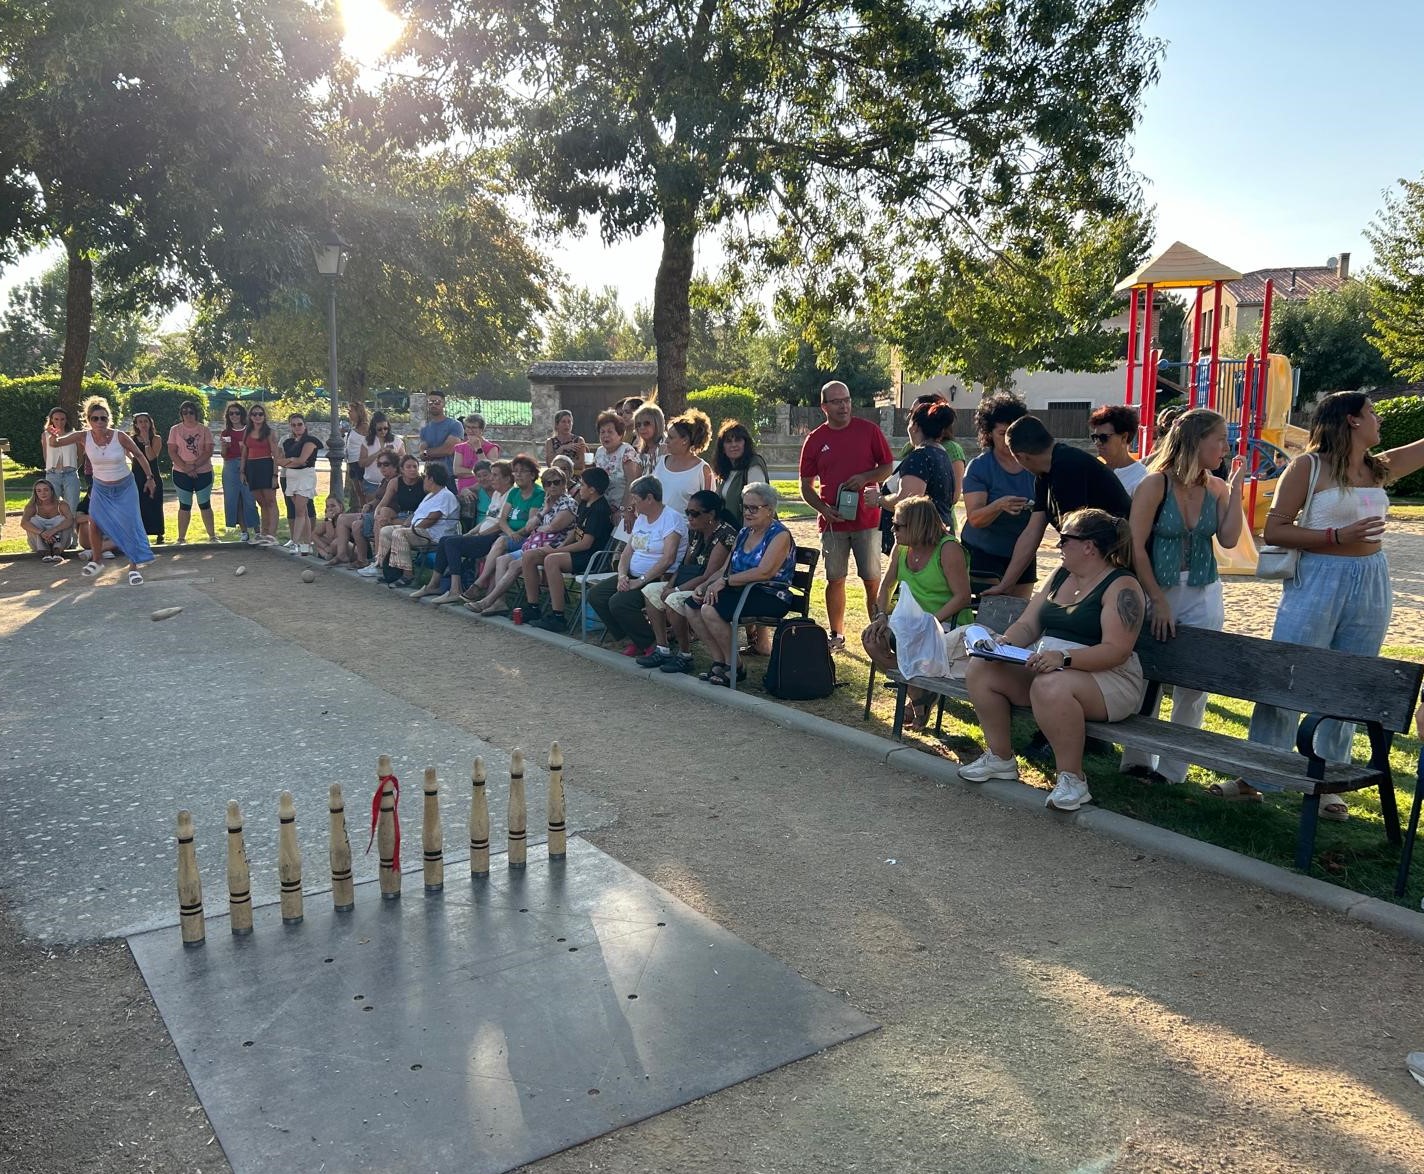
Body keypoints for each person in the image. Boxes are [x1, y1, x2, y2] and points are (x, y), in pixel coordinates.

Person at [1239, 391, 1424, 817]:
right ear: (1352, 421)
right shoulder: (1309, 466)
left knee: (1350, 678)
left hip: (1371, 579)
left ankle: (1328, 782)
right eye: (1372, 412)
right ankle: (1257, 773)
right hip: (1319, 576)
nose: (1379, 419)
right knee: (1289, 670)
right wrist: (1336, 537)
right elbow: (1276, 530)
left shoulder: (1378, 468)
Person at [960, 508, 1147, 811]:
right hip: (1051, 666)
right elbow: (1028, 624)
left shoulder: (1122, 585)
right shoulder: (1060, 575)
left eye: (1064, 540)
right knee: (982, 668)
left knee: (1050, 685)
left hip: (1109, 678)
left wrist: (1063, 658)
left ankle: (1072, 779)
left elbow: (1117, 650)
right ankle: (1000, 758)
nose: (1057, 546)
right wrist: (1002, 643)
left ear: (1088, 546)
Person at [1122, 408, 1246, 787]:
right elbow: (1135, 547)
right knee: (1147, 674)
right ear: (1196, 441)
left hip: (1203, 590)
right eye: (1220, 439)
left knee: (1194, 682)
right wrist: (1157, 599)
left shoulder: (1215, 487)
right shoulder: (1154, 485)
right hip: (1158, 587)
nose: (1226, 447)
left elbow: (1227, 540)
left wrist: (1236, 488)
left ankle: (1173, 770)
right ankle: (1137, 758)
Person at [983, 415, 1133, 596]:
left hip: (1119, 556)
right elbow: (1032, 531)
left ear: (1021, 456)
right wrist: (1006, 585)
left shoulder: (1068, 467)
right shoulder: (1044, 475)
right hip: (1092, 555)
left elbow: (1075, 536)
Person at [798, 379, 895, 649]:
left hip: (867, 520)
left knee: (872, 579)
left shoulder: (869, 431)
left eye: (847, 400)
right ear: (824, 406)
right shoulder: (815, 439)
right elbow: (805, 486)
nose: (844, 406)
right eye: (837, 401)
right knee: (835, 578)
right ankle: (836, 634)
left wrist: (865, 477)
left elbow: (887, 466)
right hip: (833, 523)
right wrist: (823, 510)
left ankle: (877, 634)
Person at [861, 496, 972, 728]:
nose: (892, 529)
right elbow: (887, 585)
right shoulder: (901, 548)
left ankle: (919, 701)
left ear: (918, 525)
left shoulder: (948, 549)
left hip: (945, 623)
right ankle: (919, 696)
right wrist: (881, 614)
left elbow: (962, 597)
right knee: (871, 639)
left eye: (898, 525)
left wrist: (930, 622)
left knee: (906, 640)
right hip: (909, 622)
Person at [686, 483, 797, 686]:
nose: (747, 512)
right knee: (692, 606)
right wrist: (705, 584)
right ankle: (720, 661)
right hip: (741, 590)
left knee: (710, 610)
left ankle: (735, 667)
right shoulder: (745, 532)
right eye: (745, 507)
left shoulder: (779, 534)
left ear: (770, 510)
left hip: (769, 594)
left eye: (754, 508)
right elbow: (724, 569)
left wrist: (725, 582)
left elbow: (765, 572)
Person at [48, 396, 158, 583]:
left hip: (125, 486)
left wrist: (150, 478)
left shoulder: (119, 436)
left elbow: (139, 455)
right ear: (88, 420)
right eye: (95, 418)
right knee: (95, 521)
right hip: (101, 486)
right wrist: (53, 435)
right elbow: (56, 443)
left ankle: (133, 568)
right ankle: (97, 560)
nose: (100, 422)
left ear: (109, 419)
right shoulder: (84, 436)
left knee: (129, 524)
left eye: (103, 418)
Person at [637, 488, 738, 671]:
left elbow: (708, 575)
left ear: (711, 514)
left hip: (707, 586)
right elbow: (684, 565)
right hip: (689, 580)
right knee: (651, 590)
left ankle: (685, 654)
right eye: (687, 513)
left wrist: (675, 590)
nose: (689, 517)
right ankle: (662, 648)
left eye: (694, 513)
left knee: (673, 599)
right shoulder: (695, 531)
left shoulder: (726, 535)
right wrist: (669, 584)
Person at [587, 475, 688, 657]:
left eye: (635, 498)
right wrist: (622, 575)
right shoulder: (641, 518)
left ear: (650, 498)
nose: (632, 503)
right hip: (633, 575)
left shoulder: (671, 519)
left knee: (619, 602)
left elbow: (668, 559)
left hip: (658, 578)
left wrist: (640, 581)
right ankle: (635, 637)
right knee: (596, 595)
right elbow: (627, 552)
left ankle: (649, 643)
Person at [462, 468, 579, 612]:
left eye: (557, 482)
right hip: (534, 544)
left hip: (552, 548)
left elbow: (554, 527)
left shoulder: (568, 503)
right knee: (502, 560)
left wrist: (541, 525)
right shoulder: (547, 503)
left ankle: (487, 601)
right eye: (548, 483)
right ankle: (499, 602)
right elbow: (530, 526)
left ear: (564, 484)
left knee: (515, 564)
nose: (552, 486)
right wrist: (544, 511)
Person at [960, 394, 1037, 598]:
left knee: (1019, 613)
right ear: (989, 434)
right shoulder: (979, 467)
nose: (1008, 439)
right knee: (991, 612)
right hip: (983, 549)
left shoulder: (1034, 464)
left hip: (1024, 551)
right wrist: (998, 506)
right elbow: (974, 517)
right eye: (1002, 433)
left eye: (1013, 432)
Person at [521, 467, 617, 628]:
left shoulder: (599, 509)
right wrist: (560, 546)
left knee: (551, 560)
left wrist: (555, 551)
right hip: (577, 551)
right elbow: (575, 531)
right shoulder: (586, 504)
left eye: (583, 484)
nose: (580, 488)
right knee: (529, 556)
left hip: (591, 557)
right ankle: (533, 607)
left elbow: (585, 543)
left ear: (592, 490)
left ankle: (558, 616)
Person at [423, 459, 514, 601]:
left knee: (452, 543)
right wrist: (471, 533)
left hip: (492, 537)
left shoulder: (511, 495)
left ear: (507, 478)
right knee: (444, 541)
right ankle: (434, 584)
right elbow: (488, 519)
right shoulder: (497, 494)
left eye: (494, 475)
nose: (491, 478)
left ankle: (455, 589)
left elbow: (501, 523)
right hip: (482, 534)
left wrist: (480, 534)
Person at [460, 455, 546, 601]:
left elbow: (530, 525)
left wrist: (514, 534)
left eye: (522, 471)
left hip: (527, 538)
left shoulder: (538, 494)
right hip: (511, 536)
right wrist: (510, 533)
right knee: (499, 549)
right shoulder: (514, 493)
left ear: (532, 475)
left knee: (500, 543)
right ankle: (493, 599)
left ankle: (481, 584)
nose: (517, 474)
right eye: (515, 471)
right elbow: (502, 520)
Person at [868, 397, 958, 527]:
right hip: (939, 531)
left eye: (909, 421)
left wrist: (878, 499)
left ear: (915, 426)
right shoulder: (942, 454)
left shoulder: (919, 457)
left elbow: (907, 501)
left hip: (921, 537)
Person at [382, 464, 460, 588]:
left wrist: (410, 529)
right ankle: (389, 570)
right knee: (386, 531)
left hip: (433, 535)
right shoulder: (430, 495)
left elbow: (431, 519)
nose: (423, 480)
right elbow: (416, 515)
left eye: (425, 477)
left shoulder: (446, 496)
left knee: (400, 534)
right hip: (420, 531)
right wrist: (405, 524)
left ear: (431, 479)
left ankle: (407, 575)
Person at [359, 455, 429, 576]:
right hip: (401, 514)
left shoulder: (423, 482)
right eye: (408, 467)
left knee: (384, 521)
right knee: (383, 514)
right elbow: (382, 503)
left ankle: (381, 564)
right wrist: (377, 514)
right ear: (401, 469)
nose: (412, 469)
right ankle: (379, 561)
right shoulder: (395, 482)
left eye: (415, 466)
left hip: (416, 517)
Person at [329, 453, 398, 566]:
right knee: (342, 518)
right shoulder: (385, 480)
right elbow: (377, 499)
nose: (382, 467)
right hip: (374, 512)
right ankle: (342, 554)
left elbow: (386, 502)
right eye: (379, 465)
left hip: (386, 514)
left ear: (395, 466)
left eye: (386, 464)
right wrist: (369, 505)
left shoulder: (395, 481)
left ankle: (364, 559)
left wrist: (373, 509)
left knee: (357, 524)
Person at [167, 400, 216, 543]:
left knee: (204, 504)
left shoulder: (204, 430)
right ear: (181, 415)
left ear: (196, 413)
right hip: (181, 472)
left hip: (203, 471)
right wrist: (185, 467)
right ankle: (181, 538)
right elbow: (172, 451)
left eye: (191, 412)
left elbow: (208, 451)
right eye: (185, 412)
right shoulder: (175, 430)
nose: (188, 415)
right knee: (184, 505)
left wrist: (193, 466)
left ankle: (212, 536)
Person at [654, 408, 715, 514]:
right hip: (656, 528)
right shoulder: (661, 461)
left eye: (671, 437)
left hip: (685, 529)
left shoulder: (703, 470)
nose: (666, 441)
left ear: (685, 440)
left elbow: (708, 507)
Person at [276, 414, 322, 554]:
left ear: (305, 425)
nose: (297, 427)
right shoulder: (288, 442)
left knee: (300, 510)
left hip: (305, 475)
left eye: (299, 424)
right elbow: (279, 460)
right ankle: (306, 545)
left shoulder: (310, 440)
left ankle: (295, 542)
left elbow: (302, 460)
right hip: (291, 476)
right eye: (293, 425)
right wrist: (291, 460)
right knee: (303, 511)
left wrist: (290, 460)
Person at [711, 420, 770, 528]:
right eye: (728, 441)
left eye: (738, 440)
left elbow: (756, 505)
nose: (733, 445)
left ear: (745, 443)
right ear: (722, 447)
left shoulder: (754, 465)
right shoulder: (725, 470)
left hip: (754, 532)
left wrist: (745, 537)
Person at [218, 403, 260, 542]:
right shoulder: (226, 433)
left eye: (237, 413)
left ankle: (257, 530)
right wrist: (224, 447)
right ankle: (244, 531)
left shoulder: (249, 430)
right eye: (231, 413)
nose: (234, 416)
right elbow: (224, 455)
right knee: (235, 500)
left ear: (242, 414)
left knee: (249, 498)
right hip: (230, 465)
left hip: (248, 464)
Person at [240, 406, 280, 544]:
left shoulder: (269, 432)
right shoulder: (247, 431)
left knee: (270, 501)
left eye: (260, 414)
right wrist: (242, 471)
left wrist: (275, 474)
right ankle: (264, 532)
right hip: (252, 467)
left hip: (266, 466)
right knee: (261, 502)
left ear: (264, 416)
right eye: (254, 414)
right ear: (250, 416)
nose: (257, 417)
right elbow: (244, 453)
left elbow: (275, 455)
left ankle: (272, 534)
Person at [1089, 404, 1148, 496]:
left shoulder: (1141, 477)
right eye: (1095, 437)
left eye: (1104, 437)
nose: (1098, 443)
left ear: (1124, 437)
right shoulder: (1093, 469)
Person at [129, 412, 166, 545]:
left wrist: (146, 442)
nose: (143, 424)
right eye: (140, 421)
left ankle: (159, 532)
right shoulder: (131, 439)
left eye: (146, 421)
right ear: (136, 424)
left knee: (155, 502)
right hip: (137, 474)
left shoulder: (156, 439)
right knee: (139, 503)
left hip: (153, 473)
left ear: (150, 423)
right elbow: (129, 454)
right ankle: (141, 533)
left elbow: (151, 457)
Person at [592, 410, 641, 510]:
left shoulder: (626, 451)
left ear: (620, 434)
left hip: (623, 509)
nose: (605, 435)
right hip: (603, 510)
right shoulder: (599, 452)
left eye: (610, 432)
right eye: (602, 432)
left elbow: (632, 482)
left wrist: (623, 509)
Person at [21, 478, 75, 562]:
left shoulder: (62, 504)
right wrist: (42, 533)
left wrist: (53, 530)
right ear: (35, 493)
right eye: (39, 491)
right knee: (32, 521)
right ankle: (45, 551)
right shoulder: (31, 506)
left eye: (46, 490)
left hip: (60, 539)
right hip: (39, 541)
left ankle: (57, 551)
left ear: (52, 491)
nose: (43, 493)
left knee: (65, 520)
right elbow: (23, 523)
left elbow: (70, 520)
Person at [41, 406, 81, 515]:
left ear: (66, 420)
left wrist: (75, 467)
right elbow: (46, 454)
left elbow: (80, 454)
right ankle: (55, 530)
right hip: (52, 474)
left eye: (62, 419)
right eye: (56, 419)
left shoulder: (74, 435)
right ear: (51, 420)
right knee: (51, 506)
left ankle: (71, 531)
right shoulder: (46, 435)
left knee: (72, 506)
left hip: (70, 474)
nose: (59, 422)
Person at [454, 414, 501, 497]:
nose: (470, 430)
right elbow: (457, 471)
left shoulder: (492, 448)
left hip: (485, 492)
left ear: (481, 430)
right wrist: (480, 474)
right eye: (468, 427)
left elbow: (490, 471)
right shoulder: (460, 447)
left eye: (474, 427)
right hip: (464, 492)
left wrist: (478, 448)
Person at [418, 392, 464, 475]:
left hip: (449, 474)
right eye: (430, 402)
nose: (433, 405)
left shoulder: (455, 425)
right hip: (430, 475)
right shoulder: (425, 428)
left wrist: (427, 453)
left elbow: (448, 450)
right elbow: (421, 453)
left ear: (444, 404)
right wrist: (425, 453)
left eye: (437, 402)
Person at [342, 401, 371, 509]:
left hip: (360, 462)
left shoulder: (365, 427)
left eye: (351, 411)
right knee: (358, 493)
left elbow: (370, 443)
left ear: (358, 412)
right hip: (352, 462)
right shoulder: (353, 427)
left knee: (365, 492)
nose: (349, 413)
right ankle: (362, 511)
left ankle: (367, 511)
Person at [632, 403, 666, 475]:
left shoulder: (667, 447)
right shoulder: (639, 451)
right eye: (638, 425)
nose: (642, 428)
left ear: (658, 423)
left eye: (646, 423)